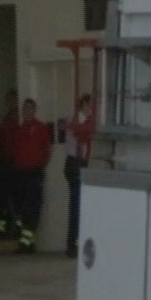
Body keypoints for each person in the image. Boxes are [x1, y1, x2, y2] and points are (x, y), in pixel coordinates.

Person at [7, 98, 52, 253]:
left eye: (29, 108)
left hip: (34, 173)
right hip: (20, 173)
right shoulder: (18, 129)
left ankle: (28, 243)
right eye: (24, 108)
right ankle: (23, 241)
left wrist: (41, 168)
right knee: (21, 208)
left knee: (33, 209)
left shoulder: (40, 128)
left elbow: (47, 150)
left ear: (34, 110)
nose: (26, 111)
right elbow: (13, 151)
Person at [64, 94, 95, 258]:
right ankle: (73, 243)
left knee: (78, 205)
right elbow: (84, 129)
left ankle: (74, 243)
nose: (91, 109)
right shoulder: (76, 120)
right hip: (75, 163)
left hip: (79, 163)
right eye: (89, 105)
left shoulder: (79, 120)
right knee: (77, 205)